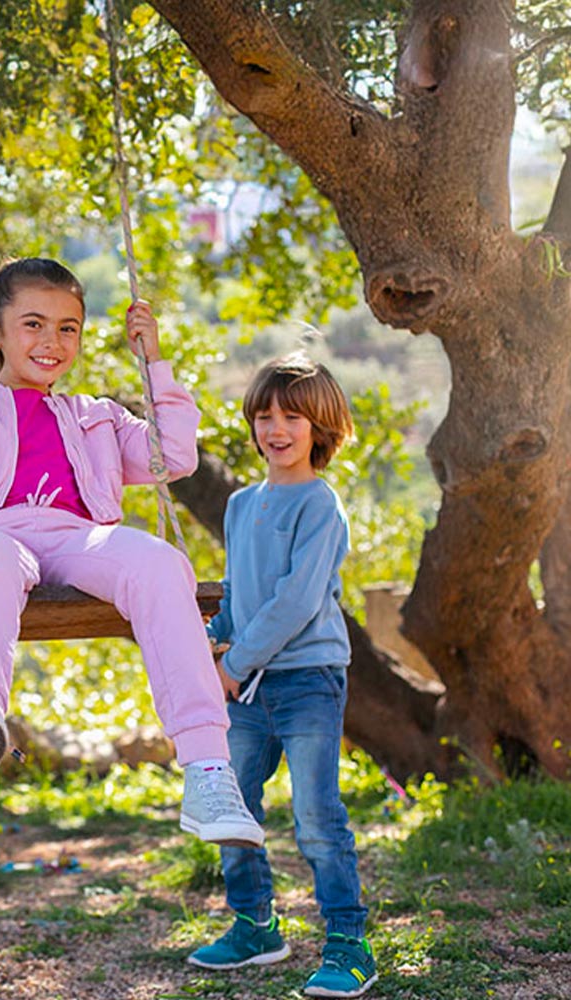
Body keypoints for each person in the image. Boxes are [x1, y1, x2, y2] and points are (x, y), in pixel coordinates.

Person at [0, 257, 263, 848]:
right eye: (33, 324)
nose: (52, 342)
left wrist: (155, 362)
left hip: (78, 539)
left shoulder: (98, 416)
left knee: (161, 561)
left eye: (68, 327)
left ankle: (208, 769)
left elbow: (173, 458)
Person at [187, 352, 377, 998]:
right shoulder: (242, 505)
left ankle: (349, 944)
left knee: (316, 815)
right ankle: (255, 925)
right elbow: (240, 595)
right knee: (233, 808)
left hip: (307, 679)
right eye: (265, 415)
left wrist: (234, 663)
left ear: (320, 428)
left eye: (292, 417)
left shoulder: (321, 505)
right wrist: (211, 650)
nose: (276, 428)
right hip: (245, 687)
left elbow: (297, 601)